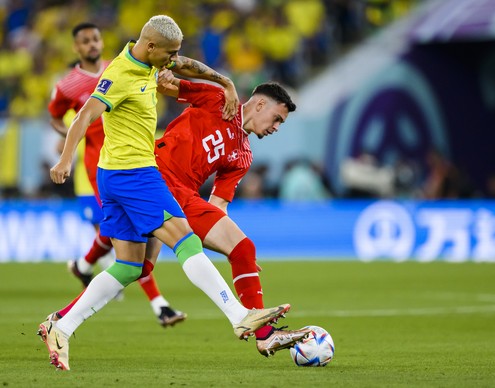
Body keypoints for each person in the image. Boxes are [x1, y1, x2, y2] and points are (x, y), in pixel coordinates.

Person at [39, 15, 290, 371]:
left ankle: (60, 325)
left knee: (130, 267)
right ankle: (239, 316)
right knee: (186, 242)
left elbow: (187, 65)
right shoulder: (120, 74)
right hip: (136, 173)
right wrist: (65, 160)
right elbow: (82, 117)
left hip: (116, 173)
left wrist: (225, 80)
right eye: (169, 53)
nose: (174, 61)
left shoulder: (150, 66)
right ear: (151, 46)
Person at [153, 73, 309, 357]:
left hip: (182, 193)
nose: (276, 128)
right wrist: (164, 69)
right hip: (156, 177)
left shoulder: (243, 155)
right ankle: (264, 333)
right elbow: (165, 85)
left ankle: (61, 323)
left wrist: (234, 252)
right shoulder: (220, 100)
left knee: (129, 268)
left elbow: (218, 205)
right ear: (259, 105)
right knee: (129, 263)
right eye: (277, 119)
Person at [48, 22, 186, 328]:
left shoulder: (122, 67)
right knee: (132, 232)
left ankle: (84, 266)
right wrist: (67, 141)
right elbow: (59, 115)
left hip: (131, 160)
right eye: (85, 41)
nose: (92, 45)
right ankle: (158, 304)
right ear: (76, 48)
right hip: (100, 164)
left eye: (96, 38)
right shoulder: (68, 85)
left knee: (122, 234)